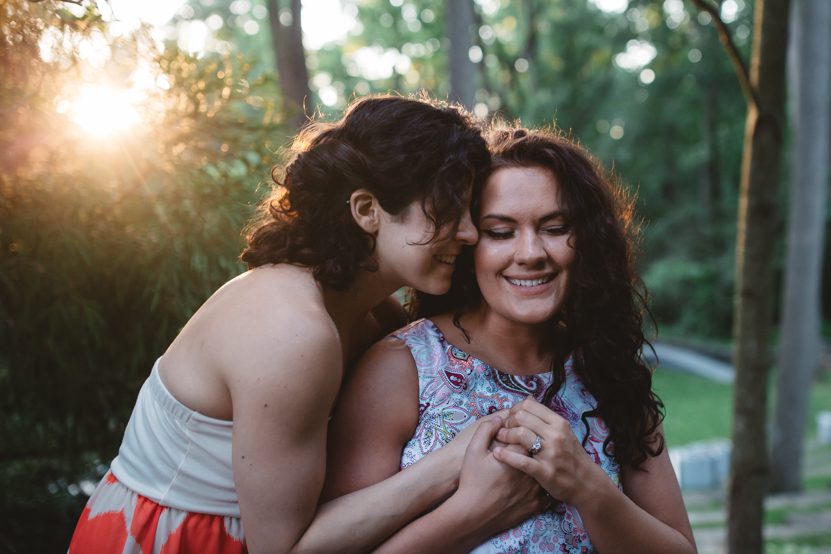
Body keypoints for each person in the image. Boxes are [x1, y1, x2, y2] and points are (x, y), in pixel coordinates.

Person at [68, 95, 544, 553]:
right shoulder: (293, 330)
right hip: (175, 541)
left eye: (470, 212)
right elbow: (281, 547)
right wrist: (448, 466)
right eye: (444, 211)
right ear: (366, 211)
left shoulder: (372, 312)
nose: (469, 232)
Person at [325, 127, 698, 552]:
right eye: (501, 232)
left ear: (589, 242)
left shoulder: (610, 370)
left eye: (555, 227)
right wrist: (471, 515)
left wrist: (589, 488)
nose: (530, 253)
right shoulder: (403, 367)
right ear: (465, 243)